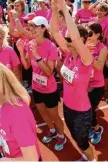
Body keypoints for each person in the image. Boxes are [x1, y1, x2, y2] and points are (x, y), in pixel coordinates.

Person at [50, 0, 98, 161]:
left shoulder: (86, 59)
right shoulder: (69, 54)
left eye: (69, 39)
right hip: (68, 108)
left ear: (81, 40)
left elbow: (75, 37)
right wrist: (55, 11)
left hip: (82, 112)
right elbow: (54, 31)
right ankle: (86, 157)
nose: (66, 41)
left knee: (83, 143)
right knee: (76, 138)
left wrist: (65, 9)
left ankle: (91, 159)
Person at [17, 16, 67, 151]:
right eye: (30, 26)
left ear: (44, 28)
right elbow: (27, 66)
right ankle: (52, 130)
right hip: (36, 87)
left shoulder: (51, 46)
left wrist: (37, 55)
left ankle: (62, 136)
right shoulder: (29, 44)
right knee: (43, 112)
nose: (31, 29)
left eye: (35, 26)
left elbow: (49, 72)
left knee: (54, 115)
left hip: (49, 89)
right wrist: (22, 52)